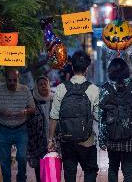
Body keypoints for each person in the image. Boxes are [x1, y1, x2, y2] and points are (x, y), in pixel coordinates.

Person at [48, 50, 99, 182]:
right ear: (87, 68)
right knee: (90, 171)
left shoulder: (61, 88)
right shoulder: (93, 89)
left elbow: (54, 116)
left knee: (70, 174)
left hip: (67, 140)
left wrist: (50, 139)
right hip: (87, 140)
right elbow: (98, 116)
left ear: (72, 67)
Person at [0, 68, 36, 182]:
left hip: (21, 128)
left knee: (22, 157)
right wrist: (1, 112)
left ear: (18, 79)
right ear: (5, 79)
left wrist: (25, 111)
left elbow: (33, 108)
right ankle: (7, 180)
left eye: (14, 80)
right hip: (4, 129)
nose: (12, 83)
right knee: (4, 159)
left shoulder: (25, 90)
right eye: (9, 80)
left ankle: (21, 178)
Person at [27, 76, 54, 182]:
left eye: (45, 84)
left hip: (53, 140)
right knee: (40, 172)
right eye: (40, 84)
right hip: (37, 140)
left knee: (52, 169)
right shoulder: (31, 101)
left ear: (48, 85)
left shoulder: (54, 99)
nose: (43, 86)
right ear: (36, 87)